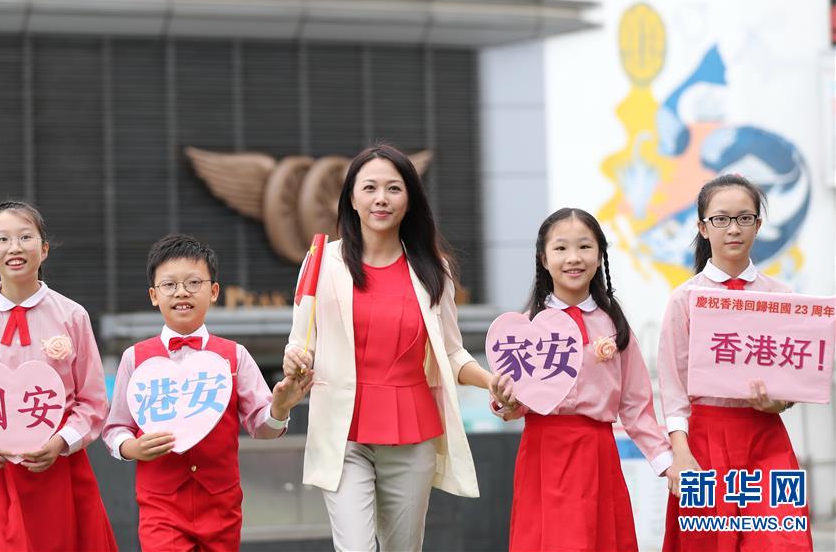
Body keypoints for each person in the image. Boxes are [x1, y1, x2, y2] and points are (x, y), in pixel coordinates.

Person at [282, 144, 513, 552]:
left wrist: (489, 380)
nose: (381, 199)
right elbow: (300, 344)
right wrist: (294, 360)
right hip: (343, 435)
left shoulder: (433, 269)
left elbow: (451, 352)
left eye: (394, 188)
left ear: (410, 200)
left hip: (412, 435)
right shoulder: (322, 262)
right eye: (369, 188)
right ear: (352, 198)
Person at [102, 233, 312, 551]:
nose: (181, 292)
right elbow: (115, 428)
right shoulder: (135, 358)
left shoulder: (235, 356)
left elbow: (262, 428)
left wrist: (279, 409)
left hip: (221, 505)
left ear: (213, 291)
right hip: (161, 505)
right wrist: (132, 448)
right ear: (154, 295)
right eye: (169, 284)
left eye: (193, 283)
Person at [0, 200, 117, 551]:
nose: (15, 247)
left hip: (57, 465)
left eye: (25, 237)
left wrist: (61, 442)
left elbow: (92, 400)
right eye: (3, 239)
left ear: (44, 248)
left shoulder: (72, 316)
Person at [493, 207, 676, 552]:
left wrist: (666, 462)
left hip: (597, 454)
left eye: (585, 247)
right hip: (542, 455)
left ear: (600, 254)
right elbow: (514, 401)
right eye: (561, 248)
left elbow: (636, 406)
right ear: (543, 259)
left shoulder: (614, 325)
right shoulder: (525, 328)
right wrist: (505, 401)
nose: (573, 258)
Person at [659, 174, 813, 551]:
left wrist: (779, 403)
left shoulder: (782, 297)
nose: (733, 228)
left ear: (758, 226)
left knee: (783, 540)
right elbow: (673, 388)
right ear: (703, 227)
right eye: (721, 219)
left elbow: (792, 378)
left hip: (765, 437)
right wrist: (681, 454)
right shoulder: (684, 299)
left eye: (744, 218)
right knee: (707, 543)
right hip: (703, 442)